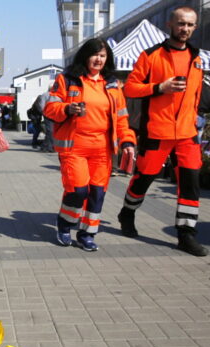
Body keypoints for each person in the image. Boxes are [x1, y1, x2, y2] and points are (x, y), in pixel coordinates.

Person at [117, 6, 207, 256]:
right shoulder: (151, 55)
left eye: (190, 25)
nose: (185, 29)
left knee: (191, 184)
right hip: (157, 133)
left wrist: (197, 117)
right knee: (143, 179)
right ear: (170, 24)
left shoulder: (197, 59)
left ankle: (186, 235)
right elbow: (131, 89)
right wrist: (159, 87)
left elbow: (198, 95)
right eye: (181, 24)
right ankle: (127, 212)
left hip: (188, 135)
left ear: (194, 27)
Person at [44, 38, 136, 251]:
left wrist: (128, 141)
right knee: (77, 190)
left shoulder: (113, 84)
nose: (99, 59)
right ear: (85, 56)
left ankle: (87, 234)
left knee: (97, 193)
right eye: (95, 54)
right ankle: (65, 225)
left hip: (103, 150)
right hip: (74, 146)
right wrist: (67, 109)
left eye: (103, 56)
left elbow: (122, 117)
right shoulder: (68, 79)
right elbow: (50, 107)